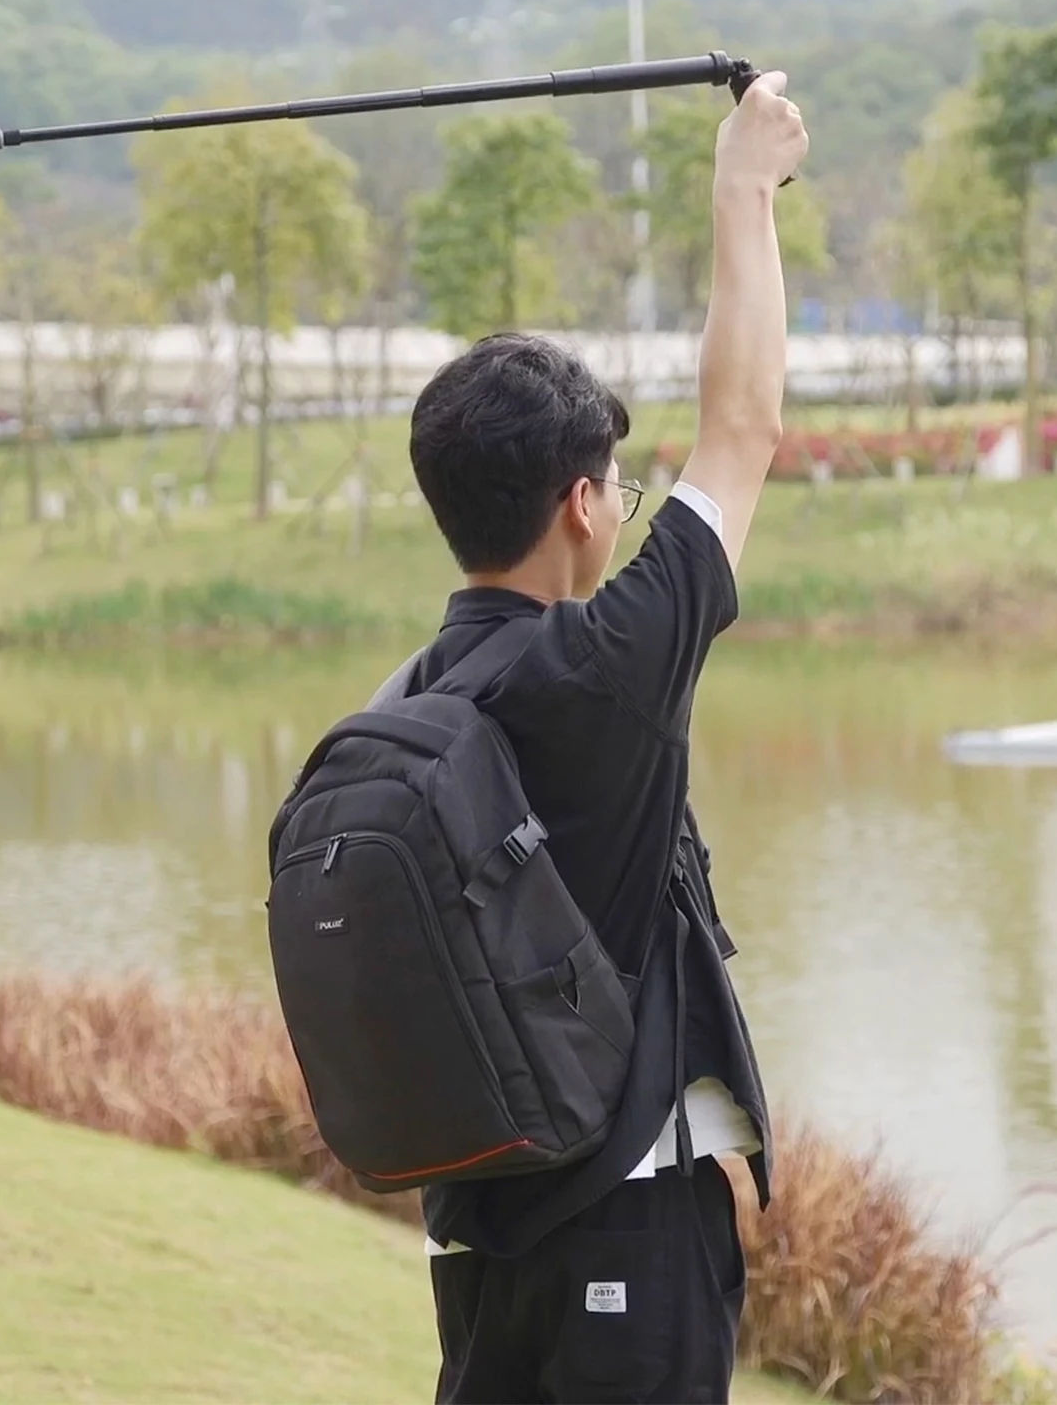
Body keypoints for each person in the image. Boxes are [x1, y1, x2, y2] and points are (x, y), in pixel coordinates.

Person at [398, 70, 808, 1404]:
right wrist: (744, 186)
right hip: (624, 1217)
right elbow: (743, 427)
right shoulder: (603, 667)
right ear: (581, 504)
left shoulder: (409, 702)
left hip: (475, 1231)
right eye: (620, 490)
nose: (626, 510)